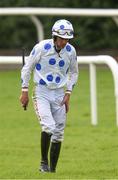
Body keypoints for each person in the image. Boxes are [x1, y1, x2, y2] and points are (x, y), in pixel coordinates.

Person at [20, 19, 78, 173]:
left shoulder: (71, 51)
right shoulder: (41, 47)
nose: (65, 42)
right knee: (49, 126)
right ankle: (43, 163)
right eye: (62, 38)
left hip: (60, 93)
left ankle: (52, 171)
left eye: (67, 39)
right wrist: (24, 90)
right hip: (42, 92)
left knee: (59, 132)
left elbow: (74, 73)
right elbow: (27, 68)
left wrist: (68, 93)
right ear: (54, 36)